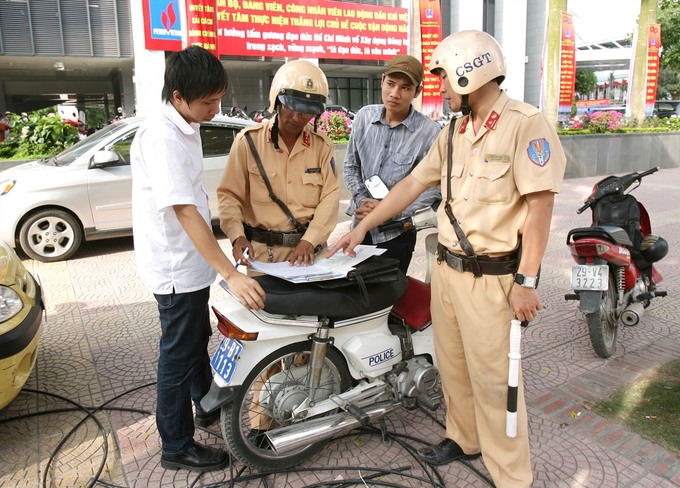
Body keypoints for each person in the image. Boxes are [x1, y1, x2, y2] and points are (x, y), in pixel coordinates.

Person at [328, 31, 566, 488]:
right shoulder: (455, 130)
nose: (439, 88)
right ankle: (465, 437)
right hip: (447, 270)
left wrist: (528, 281)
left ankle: (511, 475)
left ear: (467, 71)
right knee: (452, 365)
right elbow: (411, 186)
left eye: (443, 79)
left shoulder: (526, 124)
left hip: (492, 278)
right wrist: (362, 225)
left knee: (496, 380)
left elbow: (540, 208)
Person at [130, 45, 265, 473]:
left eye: (218, 99)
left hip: (187, 263)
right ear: (178, 97)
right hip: (174, 266)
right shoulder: (164, 137)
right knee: (177, 353)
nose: (215, 108)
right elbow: (186, 211)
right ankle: (176, 445)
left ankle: (204, 406)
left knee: (192, 342)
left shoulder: (183, 126)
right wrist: (231, 274)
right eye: (208, 102)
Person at [218, 59, 339, 268]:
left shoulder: (322, 146)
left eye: (306, 111)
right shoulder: (248, 142)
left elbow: (330, 197)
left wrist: (309, 241)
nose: (296, 117)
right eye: (290, 108)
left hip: (310, 256)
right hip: (263, 257)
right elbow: (230, 196)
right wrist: (237, 237)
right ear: (276, 102)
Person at [344, 54, 441, 274]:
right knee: (353, 292)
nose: (395, 94)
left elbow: (433, 188)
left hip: (397, 233)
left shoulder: (429, 133)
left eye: (405, 88)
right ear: (382, 80)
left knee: (390, 298)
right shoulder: (363, 118)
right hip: (359, 225)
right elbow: (351, 166)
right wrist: (362, 200)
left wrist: (388, 210)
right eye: (391, 84)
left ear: (417, 92)